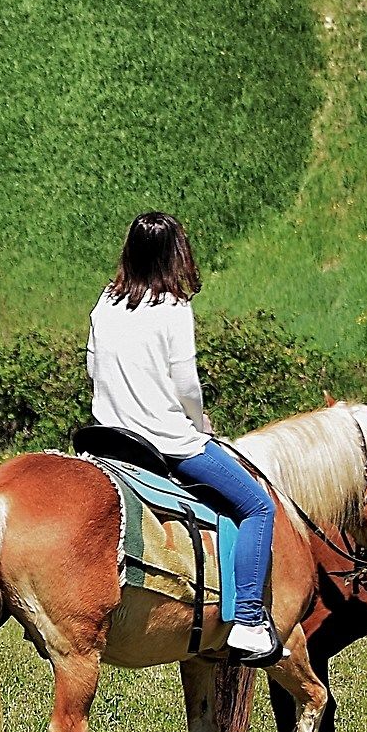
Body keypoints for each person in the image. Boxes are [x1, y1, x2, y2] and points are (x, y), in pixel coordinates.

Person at [86, 211, 280, 663]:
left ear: (130, 252)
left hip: (107, 439)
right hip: (166, 443)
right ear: (176, 255)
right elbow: (187, 387)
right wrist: (201, 423)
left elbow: (94, 370)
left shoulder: (104, 303)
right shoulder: (173, 309)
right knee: (257, 506)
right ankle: (250, 619)